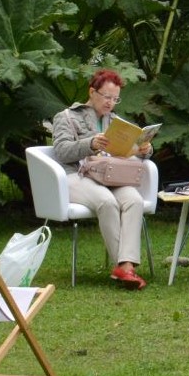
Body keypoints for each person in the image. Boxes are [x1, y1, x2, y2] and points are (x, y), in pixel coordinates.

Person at [50, 69, 154, 289]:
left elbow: (125, 152)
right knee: (106, 202)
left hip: (109, 175)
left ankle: (125, 265)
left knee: (133, 200)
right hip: (75, 176)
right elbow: (60, 151)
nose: (111, 103)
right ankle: (125, 269)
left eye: (115, 99)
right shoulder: (66, 116)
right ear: (92, 92)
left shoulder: (115, 121)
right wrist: (89, 144)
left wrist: (144, 149)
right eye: (107, 97)